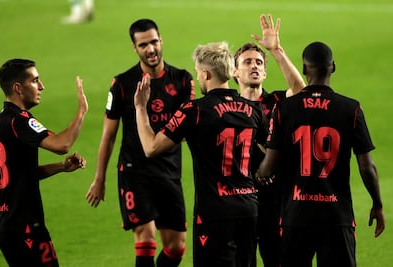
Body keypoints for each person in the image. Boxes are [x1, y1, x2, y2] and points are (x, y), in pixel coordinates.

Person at [134, 41, 267, 267]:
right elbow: (270, 155)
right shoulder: (254, 110)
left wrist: (140, 108)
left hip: (215, 214)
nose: (197, 78)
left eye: (198, 73)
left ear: (206, 73)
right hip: (249, 209)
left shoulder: (195, 110)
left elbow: (151, 147)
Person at [257, 41, 385, 267]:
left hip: (295, 216)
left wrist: (259, 173)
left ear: (305, 69)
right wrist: (377, 204)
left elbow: (269, 166)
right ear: (333, 67)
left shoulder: (284, 109)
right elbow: (367, 167)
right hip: (337, 217)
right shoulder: (351, 108)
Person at [85, 18, 195, 267]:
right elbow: (109, 136)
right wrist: (99, 178)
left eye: (154, 42)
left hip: (169, 172)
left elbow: (189, 127)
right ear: (135, 48)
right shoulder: (122, 83)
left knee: (176, 247)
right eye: (143, 44)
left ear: (161, 40)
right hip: (135, 172)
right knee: (145, 238)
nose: (151, 49)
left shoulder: (182, 80)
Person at [0, 58, 88, 266]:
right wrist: (81, 112)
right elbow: (62, 144)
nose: (41, 86)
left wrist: (61, 167)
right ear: (18, 88)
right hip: (23, 225)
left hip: (6, 224)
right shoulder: (19, 121)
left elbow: (21, 173)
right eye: (35, 81)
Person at [234, 14, 305, 267]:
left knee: (277, 260)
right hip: (239, 199)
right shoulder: (226, 107)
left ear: (264, 71)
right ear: (235, 71)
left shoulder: (276, 102)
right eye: (247, 62)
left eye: (258, 62)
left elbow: (299, 89)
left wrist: (275, 51)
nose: (254, 66)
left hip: (275, 200)